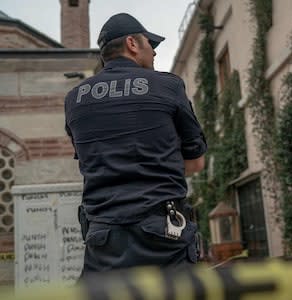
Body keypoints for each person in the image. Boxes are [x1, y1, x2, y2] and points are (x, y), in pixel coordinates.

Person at [64, 13, 207, 275]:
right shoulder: (168, 86)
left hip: (102, 241)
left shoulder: (75, 98)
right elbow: (196, 162)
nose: (153, 53)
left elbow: (91, 162)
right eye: (149, 45)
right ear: (132, 43)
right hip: (163, 239)